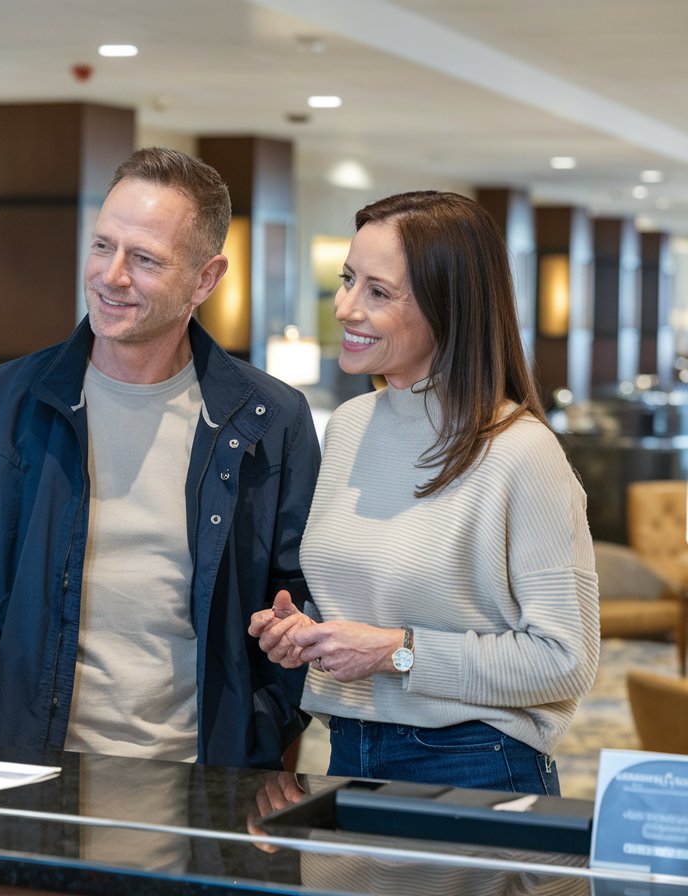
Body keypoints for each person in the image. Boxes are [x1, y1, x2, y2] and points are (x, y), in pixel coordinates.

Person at [0, 147, 319, 769]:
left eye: (144, 259)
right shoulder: (5, 402)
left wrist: (262, 722)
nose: (112, 276)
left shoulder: (272, 420)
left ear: (205, 278)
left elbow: (304, 597)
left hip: (207, 779)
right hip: (31, 768)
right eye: (102, 246)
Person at [249, 190, 598, 795]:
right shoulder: (352, 424)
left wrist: (396, 653)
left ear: (449, 307)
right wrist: (306, 631)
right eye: (347, 280)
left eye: (378, 292)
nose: (346, 307)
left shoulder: (521, 450)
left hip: (476, 760)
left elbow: (565, 660)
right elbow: (370, 606)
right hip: (349, 746)